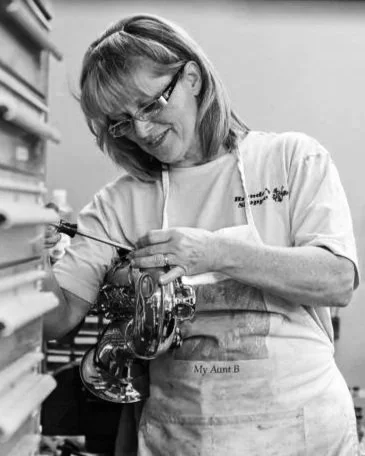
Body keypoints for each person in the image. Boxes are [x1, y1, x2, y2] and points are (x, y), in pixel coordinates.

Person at [44, 13, 360, 456]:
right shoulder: (120, 202)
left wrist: (214, 253)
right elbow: (58, 320)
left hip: (305, 435)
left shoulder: (291, 159)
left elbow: (337, 280)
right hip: (184, 439)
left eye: (151, 105)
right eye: (121, 121)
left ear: (191, 77)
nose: (142, 131)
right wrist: (28, 252)